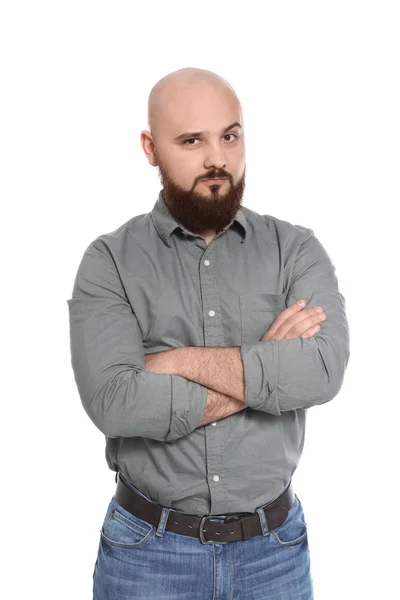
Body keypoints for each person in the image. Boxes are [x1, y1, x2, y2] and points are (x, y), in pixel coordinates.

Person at [67, 67, 350, 599]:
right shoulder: (109, 261)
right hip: (149, 554)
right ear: (151, 149)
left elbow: (323, 370)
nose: (217, 157)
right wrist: (268, 367)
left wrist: (173, 362)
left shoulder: (295, 250)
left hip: (275, 554)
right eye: (192, 140)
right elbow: (115, 401)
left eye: (230, 135)